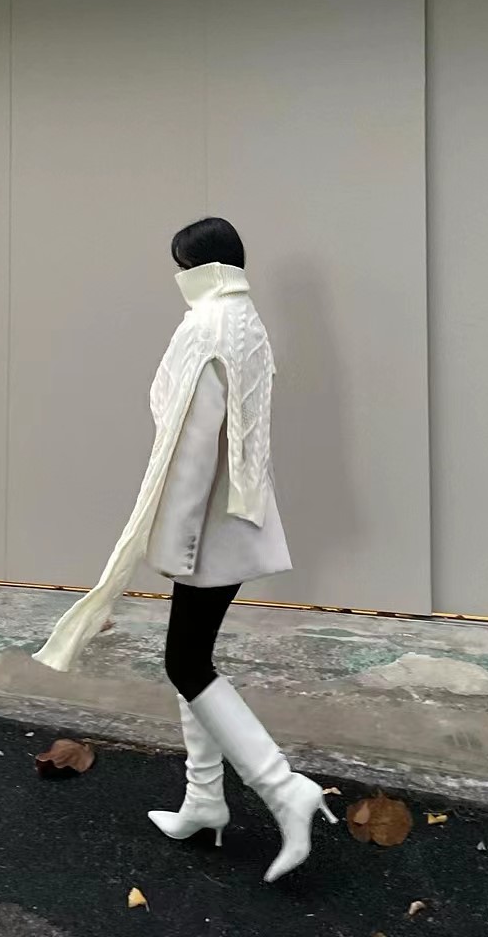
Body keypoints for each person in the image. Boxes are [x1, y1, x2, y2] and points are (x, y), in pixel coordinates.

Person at [33, 218, 335, 883]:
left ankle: (284, 788)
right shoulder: (247, 320)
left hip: (207, 524)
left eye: (180, 265)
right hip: (234, 516)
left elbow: (195, 445)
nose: (177, 278)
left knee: (185, 661)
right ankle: (203, 799)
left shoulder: (206, 326)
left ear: (200, 267)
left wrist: (175, 542)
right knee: (190, 656)